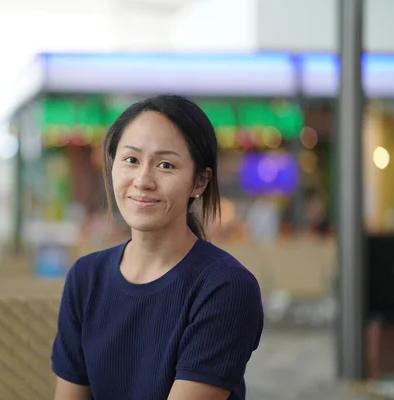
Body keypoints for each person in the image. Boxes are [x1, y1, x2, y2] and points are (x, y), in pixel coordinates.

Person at [51, 95, 263, 400]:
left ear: (199, 182)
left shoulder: (226, 287)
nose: (143, 180)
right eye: (131, 160)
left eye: (165, 165)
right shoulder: (86, 277)